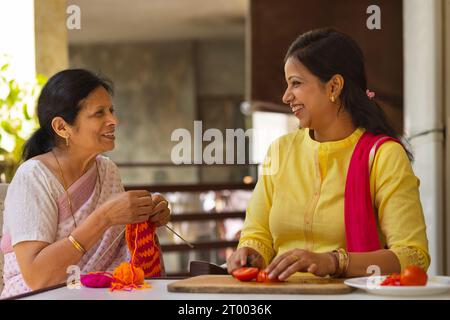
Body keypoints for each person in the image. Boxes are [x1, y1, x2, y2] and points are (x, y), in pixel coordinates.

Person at [227, 28, 430, 281]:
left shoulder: (382, 156)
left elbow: (413, 257)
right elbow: (257, 233)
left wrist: (333, 261)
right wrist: (251, 253)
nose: (286, 96)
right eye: (287, 84)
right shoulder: (279, 151)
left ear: (334, 86)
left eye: (296, 83)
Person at [0, 69, 170, 298]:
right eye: (99, 113)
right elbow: (37, 277)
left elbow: (120, 248)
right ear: (62, 127)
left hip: (99, 293)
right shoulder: (33, 177)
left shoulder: (107, 170)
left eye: (111, 110)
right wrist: (104, 217)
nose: (113, 121)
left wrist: (145, 216)